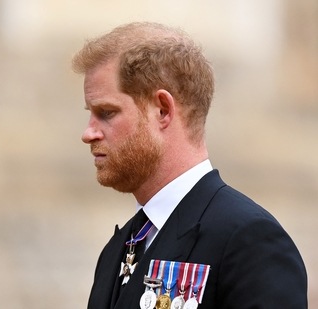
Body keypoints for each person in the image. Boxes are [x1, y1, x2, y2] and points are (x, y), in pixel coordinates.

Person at [72, 22, 307, 309]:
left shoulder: (248, 241)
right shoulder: (119, 249)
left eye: (106, 113)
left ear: (162, 110)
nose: (88, 133)